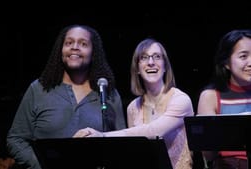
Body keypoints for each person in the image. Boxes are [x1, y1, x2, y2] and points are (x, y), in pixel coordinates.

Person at [6, 24, 126, 169]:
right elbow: (16, 139)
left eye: (83, 44)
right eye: (69, 42)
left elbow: (122, 144)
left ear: (94, 52)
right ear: (60, 50)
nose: (75, 47)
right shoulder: (39, 89)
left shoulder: (107, 93)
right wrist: (42, 165)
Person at [74, 38, 194, 169]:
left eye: (157, 57)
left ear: (165, 66)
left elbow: (154, 131)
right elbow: (136, 149)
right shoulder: (133, 107)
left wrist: (102, 136)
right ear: (137, 68)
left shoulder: (180, 99)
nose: (151, 62)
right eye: (144, 57)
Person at [197, 29, 251, 169]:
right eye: (243, 56)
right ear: (227, 63)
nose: (250, 62)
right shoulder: (211, 96)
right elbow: (208, 153)